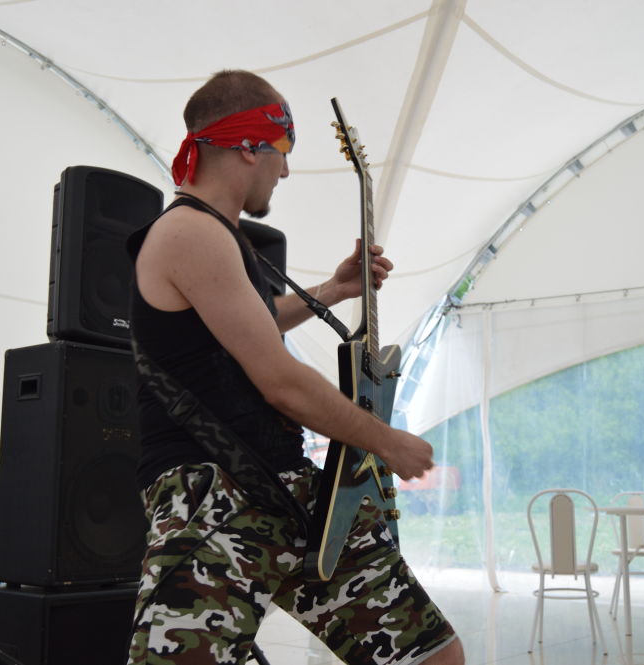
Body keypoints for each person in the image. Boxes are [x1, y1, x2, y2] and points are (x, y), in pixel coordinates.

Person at [126, 70, 462, 665]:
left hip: (282, 488)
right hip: (213, 495)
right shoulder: (189, 233)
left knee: (431, 656)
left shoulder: (223, 237)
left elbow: (245, 327)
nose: (284, 170)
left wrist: (332, 290)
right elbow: (279, 381)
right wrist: (387, 442)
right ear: (249, 145)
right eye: (283, 150)